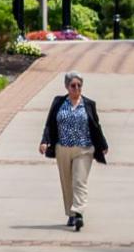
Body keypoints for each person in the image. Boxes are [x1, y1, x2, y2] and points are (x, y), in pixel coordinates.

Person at [38, 71, 110, 231]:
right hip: (62, 148)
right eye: (73, 85)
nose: (76, 88)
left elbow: (96, 126)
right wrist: (44, 141)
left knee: (79, 181)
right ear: (67, 87)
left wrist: (103, 144)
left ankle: (78, 213)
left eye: (79, 85)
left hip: (84, 149)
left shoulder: (89, 104)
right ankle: (70, 213)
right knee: (67, 182)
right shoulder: (58, 102)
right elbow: (49, 123)